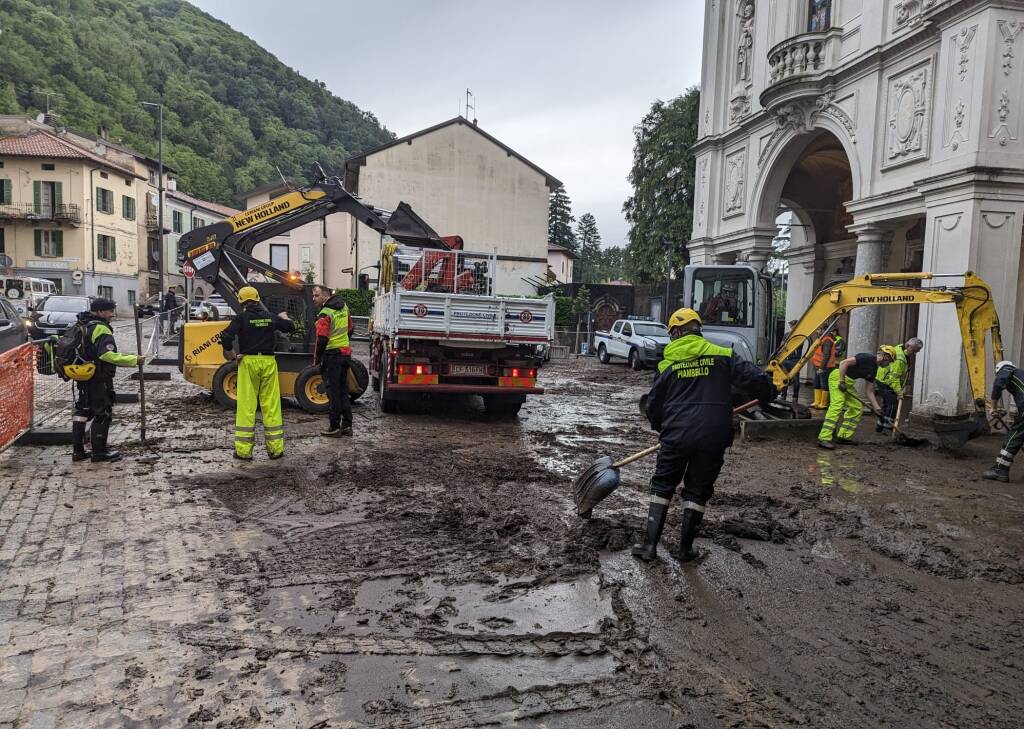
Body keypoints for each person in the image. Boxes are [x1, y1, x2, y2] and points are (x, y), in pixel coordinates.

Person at [633, 308, 775, 563]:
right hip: (713, 435)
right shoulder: (722, 355)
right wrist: (769, 392)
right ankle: (684, 550)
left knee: (663, 485)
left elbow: (654, 404)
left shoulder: (668, 364)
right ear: (698, 329)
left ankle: (649, 547)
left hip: (675, 436)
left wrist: (661, 428)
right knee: (697, 490)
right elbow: (757, 380)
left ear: (675, 333)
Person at [220, 286, 294, 460]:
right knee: (271, 405)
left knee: (247, 406)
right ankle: (275, 450)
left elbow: (225, 336)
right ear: (257, 298)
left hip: (248, 362)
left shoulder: (242, 318)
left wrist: (231, 355)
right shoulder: (270, 317)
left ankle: (244, 452)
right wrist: (284, 317)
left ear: (242, 302)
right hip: (268, 362)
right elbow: (290, 327)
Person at [72, 298, 145, 463]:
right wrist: (134, 360)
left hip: (83, 376)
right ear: (99, 312)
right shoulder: (101, 329)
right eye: (109, 311)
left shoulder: (81, 324)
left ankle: (78, 451)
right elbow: (107, 355)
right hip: (99, 377)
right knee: (102, 412)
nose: (112, 315)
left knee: (82, 411)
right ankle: (99, 452)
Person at [817, 347, 894, 450]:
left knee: (857, 407)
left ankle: (843, 436)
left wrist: (878, 409)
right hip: (837, 378)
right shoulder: (866, 357)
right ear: (886, 356)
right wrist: (841, 381)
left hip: (847, 383)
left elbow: (869, 391)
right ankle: (824, 438)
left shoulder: (874, 369)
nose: (889, 364)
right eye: (890, 361)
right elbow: (843, 363)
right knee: (837, 404)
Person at [311, 285, 355, 437]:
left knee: (332, 391)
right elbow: (351, 328)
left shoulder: (325, 313)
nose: (313, 299)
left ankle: (334, 427)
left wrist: (317, 359)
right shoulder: (344, 307)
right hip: (345, 354)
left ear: (325, 295)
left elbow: (321, 339)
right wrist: (344, 343)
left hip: (332, 356)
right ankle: (347, 425)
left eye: (316, 296)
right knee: (343, 390)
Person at [982, 360, 1024, 482]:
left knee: (1014, 437)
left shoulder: (1007, 370)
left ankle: (1000, 470)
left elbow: (999, 384)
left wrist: (993, 406)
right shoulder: (1020, 375)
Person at [875, 337, 924, 433]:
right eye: (914, 350)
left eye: (917, 351)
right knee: (892, 404)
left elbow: (899, 373)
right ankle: (887, 427)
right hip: (886, 381)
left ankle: (880, 425)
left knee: (886, 404)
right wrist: (899, 392)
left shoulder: (900, 348)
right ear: (908, 346)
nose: (915, 353)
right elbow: (893, 378)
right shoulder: (900, 359)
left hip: (882, 379)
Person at [780, 319, 804, 403]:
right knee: (787, 378)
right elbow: (782, 346)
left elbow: (782, 345)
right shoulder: (792, 335)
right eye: (791, 326)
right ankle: (788, 396)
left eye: (792, 325)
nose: (791, 327)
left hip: (793, 360)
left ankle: (790, 396)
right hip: (790, 359)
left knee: (794, 379)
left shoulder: (798, 335)